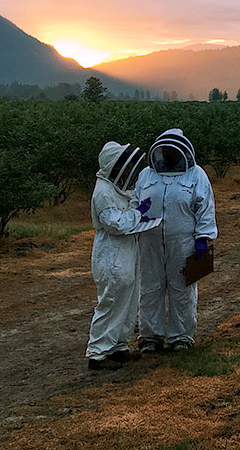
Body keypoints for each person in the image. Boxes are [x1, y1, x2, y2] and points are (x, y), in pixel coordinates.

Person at [134, 128, 217, 353]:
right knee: (150, 289)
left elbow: (205, 207)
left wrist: (204, 238)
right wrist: (137, 214)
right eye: (166, 150)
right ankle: (150, 337)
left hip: (183, 242)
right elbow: (135, 203)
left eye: (172, 150)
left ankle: (181, 337)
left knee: (182, 290)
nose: (168, 154)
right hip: (149, 241)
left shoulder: (196, 174)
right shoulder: (147, 175)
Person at [86, 142, 160, 370]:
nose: (124, 170)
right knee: (111, 301)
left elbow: (125, 215)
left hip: (127, 249)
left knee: (127, 300)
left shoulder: (114, 187)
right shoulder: (103, 192)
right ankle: (98, 353)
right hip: (111, 251)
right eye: (120, 165)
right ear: (112, 166)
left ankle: (118, 347)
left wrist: (138, 214)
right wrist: (138, 214)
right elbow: (114, 224)